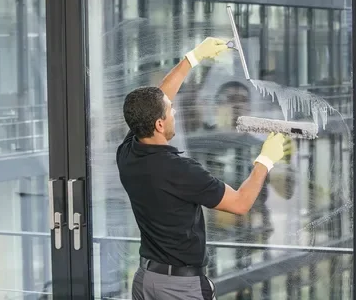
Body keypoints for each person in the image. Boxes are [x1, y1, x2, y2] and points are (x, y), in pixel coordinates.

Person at [116, 37, 291, 300]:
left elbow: (159, 98)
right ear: (160, 125)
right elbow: (241, 204)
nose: (175, 112)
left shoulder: (128, 152)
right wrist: (266, 159)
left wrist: (193, 58)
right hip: (178, 288)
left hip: (146, 280)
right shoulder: (181, 171)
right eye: (171, 111)